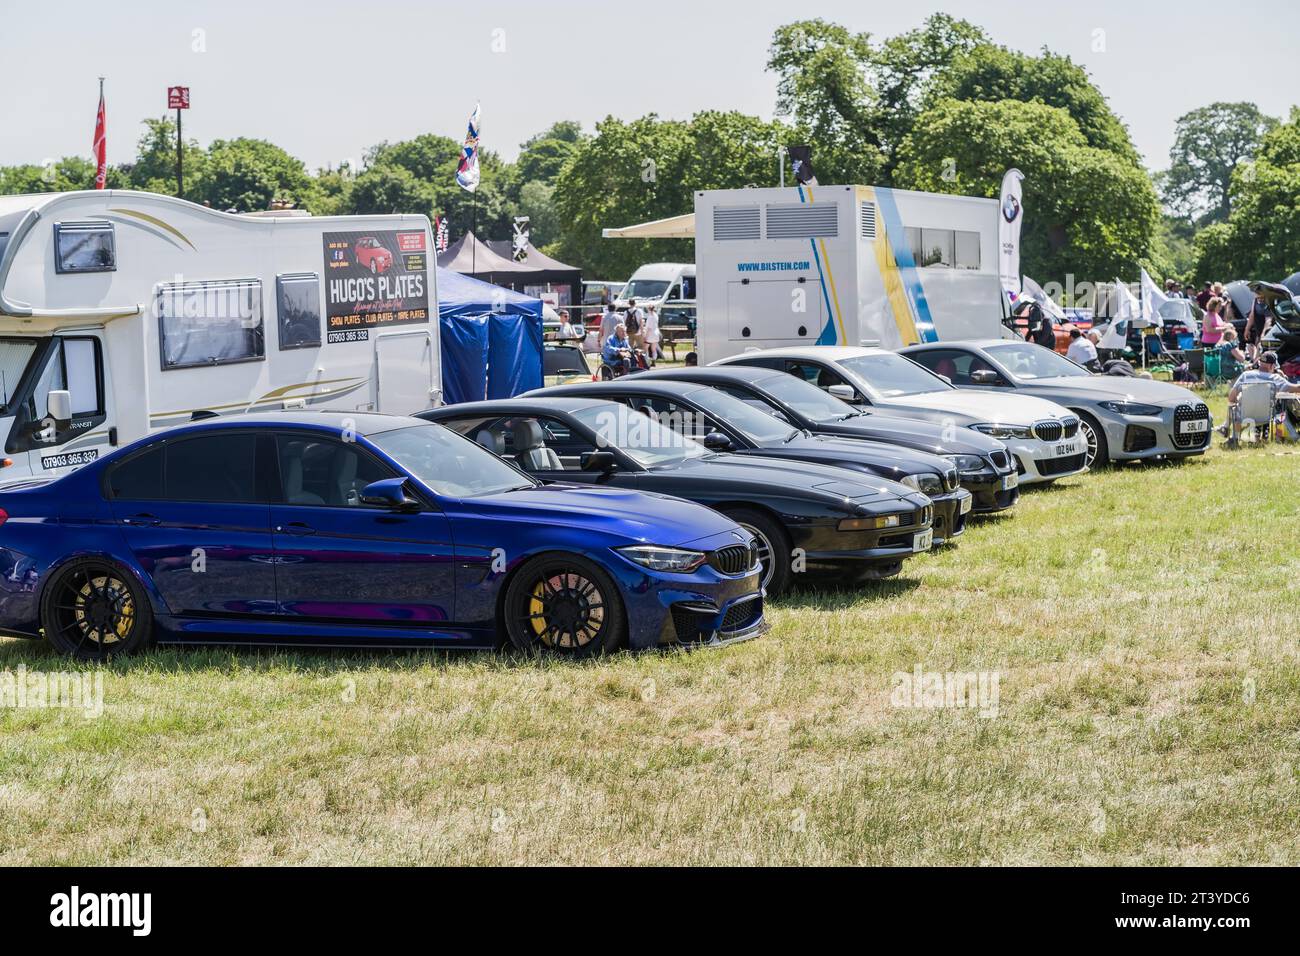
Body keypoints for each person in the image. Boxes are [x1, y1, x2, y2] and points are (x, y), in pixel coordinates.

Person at [1223, 351, 1300, 447]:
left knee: (1233, 407)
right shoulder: (1275, 378)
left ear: (1259, 363)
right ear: (1272, 366)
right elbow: (1296, 388)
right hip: (1266, 417)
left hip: (1243, 416)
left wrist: (1237, 400)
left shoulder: (1246, 375)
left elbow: (1231, 397)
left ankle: (1233, 437)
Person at [1245, 294, 1270, 359]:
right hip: (1258, 330)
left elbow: (1268, 320)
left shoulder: (1268, 302)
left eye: (1261, 297)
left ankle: (1256, 363)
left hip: (1267, 330)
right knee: (1256, 346)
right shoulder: (1255, 300)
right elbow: (1252, 315)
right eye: (1258, 297)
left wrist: (1263, 333)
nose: (1260, 299)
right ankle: (1255, 362)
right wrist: (1247, 329)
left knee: (1260, 347)